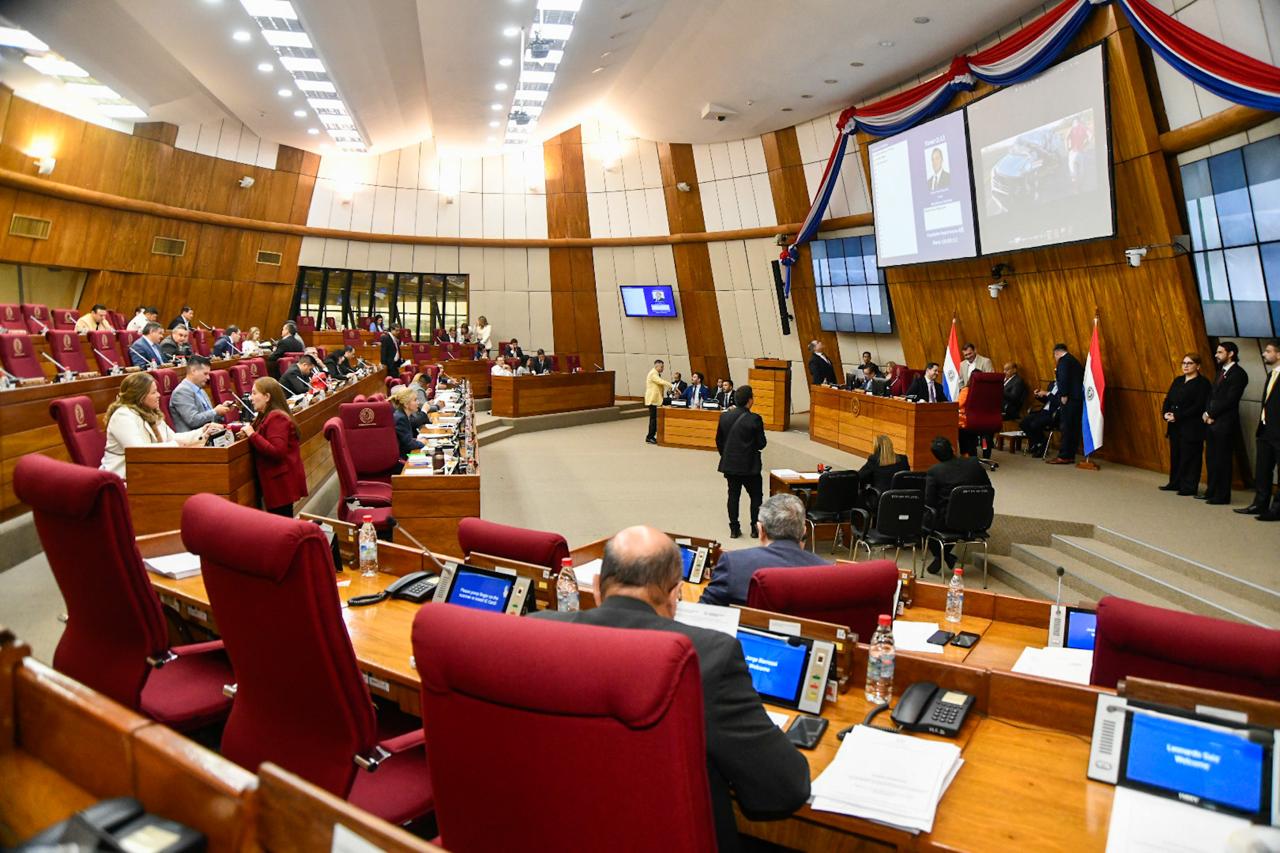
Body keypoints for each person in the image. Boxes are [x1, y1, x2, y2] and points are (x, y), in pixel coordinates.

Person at [531, 526, 810, 848]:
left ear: (596, 587)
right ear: (675, 594)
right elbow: (784, 788)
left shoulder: (538, 632)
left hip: (561, 833)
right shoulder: (707, 655)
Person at [699, 494, 831, 606]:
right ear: (804, 531)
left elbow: (703, 612)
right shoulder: (827, 572)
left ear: (760, 530)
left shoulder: (734, 563)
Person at [100, 372, 212, 478]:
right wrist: (175, 445)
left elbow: (172, 437)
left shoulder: (150, 412)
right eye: (153, 392)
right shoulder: (122, 416)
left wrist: (202, 432)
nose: (159, 395)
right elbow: (138, 452)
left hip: (149, 472)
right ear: (140, 396)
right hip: (124, 479)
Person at [924, 436, 991, 575]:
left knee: (925, 519)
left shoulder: (935, 471)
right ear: (953, 449)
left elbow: (929, 501)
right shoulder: (974, 463)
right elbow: (988, 488)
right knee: (952, 514)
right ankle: (945, 556)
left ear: (935, 456)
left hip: (950, 522)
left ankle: (944, 556)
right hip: (979, 519)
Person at [242, 377, 307, 516]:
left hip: (280, 485)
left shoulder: (277, 417)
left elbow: (277, 451)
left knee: (282, 525)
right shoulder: (264, 415)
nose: (251, 398)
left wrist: (252, 435)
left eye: (254, 393)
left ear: (267, 397)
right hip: (276, 483)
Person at [717, 385, 767, 539]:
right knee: (756, 495)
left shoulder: (724, 417)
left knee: (733, 495)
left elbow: (719, 441)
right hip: (750, 465)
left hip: (730, 464)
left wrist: (726, 455)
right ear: (750, 400)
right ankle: (754, 527)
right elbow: (761, 444)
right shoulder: (755, 419)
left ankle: (734, 528)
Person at [1237, 340, 1279, 519]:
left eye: (1268, 351)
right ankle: (1259, 504)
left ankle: (1276, 510)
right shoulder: (1271, 375)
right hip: (1265, 430)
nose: (1264, 354)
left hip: (1279, 433)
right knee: (1262, 470)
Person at [1160, 353, 1211, 497]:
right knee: (1176, 454)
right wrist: (1166, 413)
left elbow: (1199, 406)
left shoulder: (1203, 383)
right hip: (1175, 425)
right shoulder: (1178, 380)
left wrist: (1178, 416)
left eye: (1189, 363)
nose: (1186, 366)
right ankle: (1174, 482)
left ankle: (1189, 486)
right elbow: (1168, 399)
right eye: (1184, 363)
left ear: (1198, 366)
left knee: (1191, 456)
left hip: (1192, 426)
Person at [168, 355, 233, 433]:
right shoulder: (182, 391)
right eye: (205, 374)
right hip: (194, 440)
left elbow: (209, 419)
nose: (208, 377)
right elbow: (193, 421)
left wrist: (222, 410)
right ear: (193, 371)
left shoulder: (201, 390)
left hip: (209, 434)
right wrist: (215, 411)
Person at [1047, 343, 1085, 465]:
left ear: (1056, 353)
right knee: (1073, 428)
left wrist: (1063, 394)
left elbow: (1063, 379)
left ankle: (1064, 456)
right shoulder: (1073, 360)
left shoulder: (1063, 362)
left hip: (1069, 399)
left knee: (1067, 427)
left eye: (1054, 356)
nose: (1055, 358)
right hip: (1077, 398)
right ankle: (1070, 455)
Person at [1021, 376, 1061, 457]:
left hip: (1053, 414)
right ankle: (1038, 442)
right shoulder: (1052, 384)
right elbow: (1047, 400)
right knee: (1024, 423)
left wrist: (1047, 393)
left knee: (1034, 424)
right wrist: (1039, 396)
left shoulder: (1064, 387)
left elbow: (1059, 402)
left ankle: (1041, 444)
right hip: (1043, 411)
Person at [389, 386, 425, 457]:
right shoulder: (400, 418)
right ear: (406, 404)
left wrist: (417, 441)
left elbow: (406, 439)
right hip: (402, 457)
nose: (418, 402)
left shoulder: (403, 415)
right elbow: (408, 444)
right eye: (415, 400)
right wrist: (422, 443)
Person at [644, 359, 673, 444]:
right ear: (656, 366)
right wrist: (672, 385)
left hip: (657, 399)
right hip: (653, 400)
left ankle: (651, 436)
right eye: (662, 366)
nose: (663, 368)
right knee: (653, 419)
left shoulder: (656, 373)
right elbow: (661, 381)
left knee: (655, 419)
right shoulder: (653, 373)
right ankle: (650, 437)